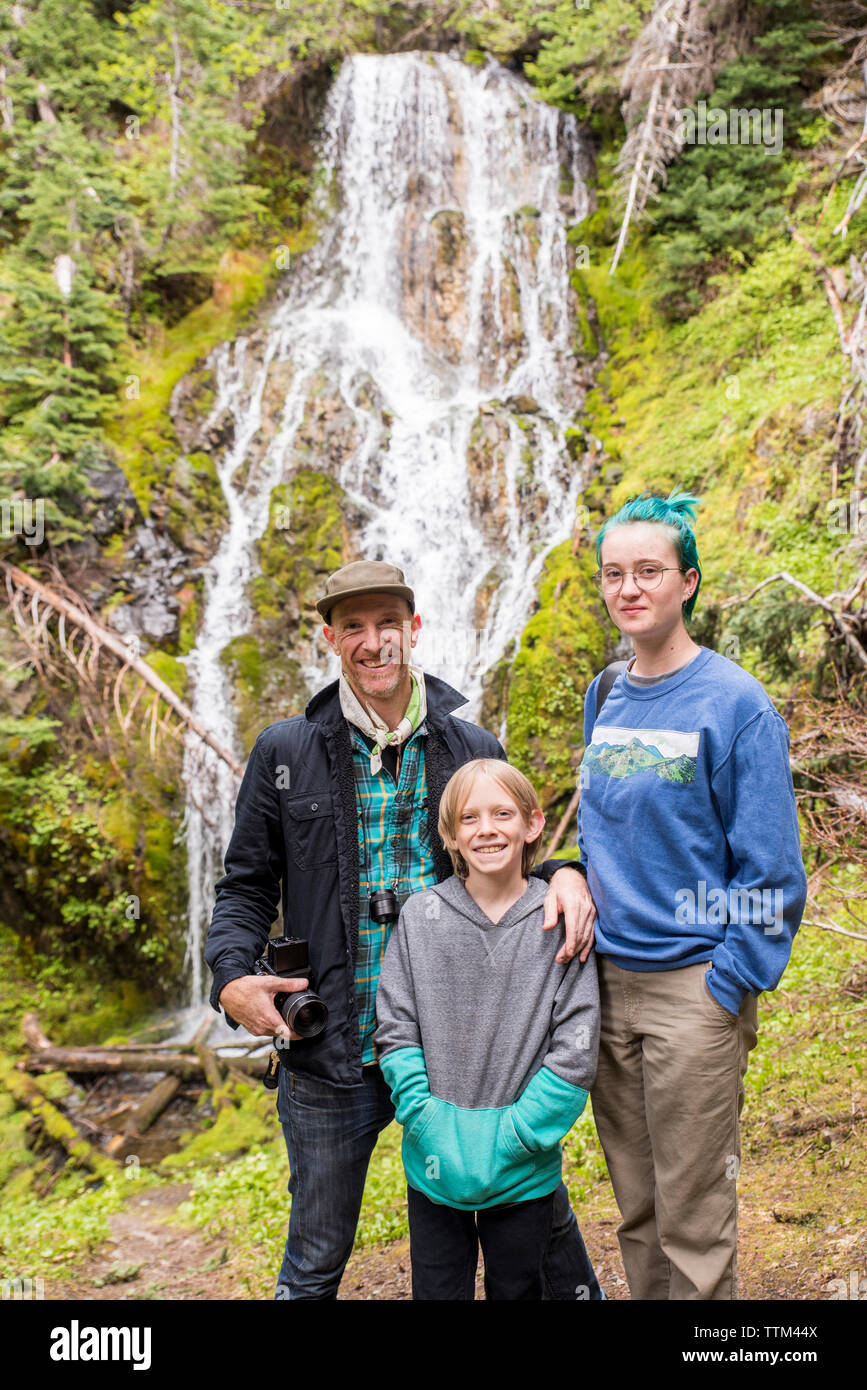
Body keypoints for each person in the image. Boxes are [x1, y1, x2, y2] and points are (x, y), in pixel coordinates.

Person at [204, 559, 602, 1300]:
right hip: (333, 1046)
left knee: (542, 1225)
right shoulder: (285, 751)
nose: (373, 641)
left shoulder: (471, 744)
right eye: (352, 626)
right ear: (329, 638)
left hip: (465, 1044)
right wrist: (229, 976)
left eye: (388, 622)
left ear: (413, 629)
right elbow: (247, 885)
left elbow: (510, 862)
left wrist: (567, 873)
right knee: (316, 1255)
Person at [577, 490, 808, 1300]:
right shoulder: (604, 696)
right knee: (637, 1210)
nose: (628, 588)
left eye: (648, 571)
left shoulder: (734, 704)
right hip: (605, 988)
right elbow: (605, 831)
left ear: (688, 582)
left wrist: (726, 981)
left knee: (693, 1216)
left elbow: (773, 873)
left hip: (692, 989)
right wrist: (571, 875)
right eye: (614, 573)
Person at [375, 758, 600, 1300]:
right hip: (434, 1164)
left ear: (532, 824)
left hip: (524, 1168)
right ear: (449, 834)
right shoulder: (419, 918)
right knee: (436, 1290)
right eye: (469, 818)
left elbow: (577, 1045)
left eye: (502, 814)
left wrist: (520, 1134)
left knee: (519, 1288)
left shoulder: (560, 919)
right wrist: (425, 1119)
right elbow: (395, 1027)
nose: (487, 829)